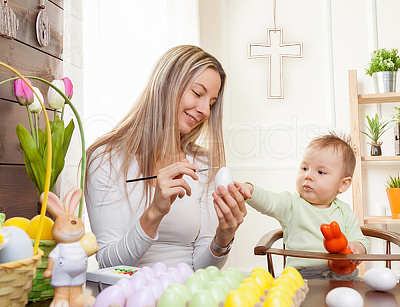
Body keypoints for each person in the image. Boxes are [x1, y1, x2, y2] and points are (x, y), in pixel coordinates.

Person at [85, 45, 246, 270]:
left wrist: (223, 238)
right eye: (197, 93)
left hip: (187, 294)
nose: (205, 111)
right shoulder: (105, 159)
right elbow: (110, 264)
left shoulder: (203, 164)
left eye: (211, 103)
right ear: (166, 85)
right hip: (129, 296)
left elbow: (203, 267)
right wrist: (155, 212)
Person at [236, 132, 370, 280]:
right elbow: (270, 201)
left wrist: (356, 247)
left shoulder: (344, 211)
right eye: (304, 168)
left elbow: (362, 241)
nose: (308, 175)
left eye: (320, 172)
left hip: (343, 275)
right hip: (303, 277)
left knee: (367, 287)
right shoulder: (292, 204)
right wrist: (249, 190)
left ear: (343, 184)